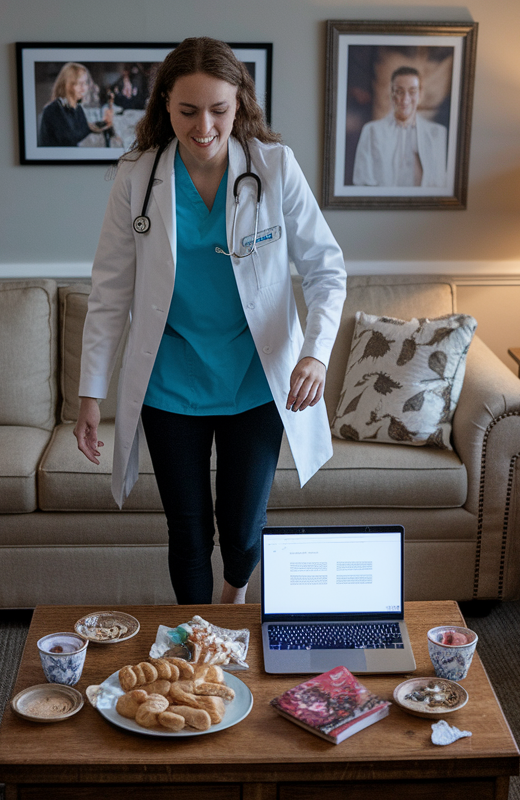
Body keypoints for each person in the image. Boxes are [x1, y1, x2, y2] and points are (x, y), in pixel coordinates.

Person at [75, 37, 347, 605]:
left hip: (254, 376)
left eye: (219, 110)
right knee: (189, 530)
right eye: (188, 110)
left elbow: (325, 268)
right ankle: (200, 638)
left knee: (244, 528)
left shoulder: (274, 168)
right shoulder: (138, 176)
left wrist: (316, 352)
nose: (204, 127)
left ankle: (232, 597)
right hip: (172, 382)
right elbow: (108, 292)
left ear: (240, 105)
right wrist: (89, 394)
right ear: (165, 108)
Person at [351, 66, 448, 188]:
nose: (405, 99)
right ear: (392, 94)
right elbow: (362, 182)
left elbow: (439, 184)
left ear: (420, 95)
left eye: (412, 92)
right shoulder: (371, 131)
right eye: (399, 91)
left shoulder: (438, 134)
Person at [38, 62, 114, 147]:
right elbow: (71, 137)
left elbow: (85, 128)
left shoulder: (77, 108)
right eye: (79, 84)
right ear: (68, 85)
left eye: (85, 83)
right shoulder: (53, 110)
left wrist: (105, 122)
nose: (84, 88)